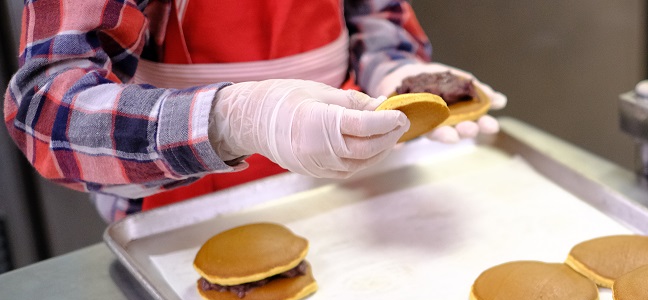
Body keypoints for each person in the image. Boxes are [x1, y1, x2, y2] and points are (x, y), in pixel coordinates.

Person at [3, 0, 506, 222]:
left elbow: (374, 20)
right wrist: (233, 118)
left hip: (345, 193)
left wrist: (393, 73)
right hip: (181, 213)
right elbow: (44, 111)